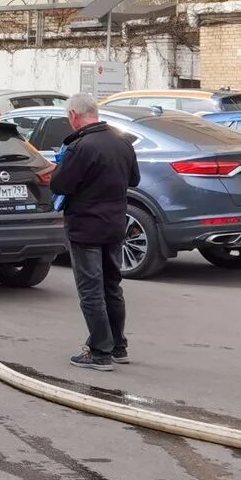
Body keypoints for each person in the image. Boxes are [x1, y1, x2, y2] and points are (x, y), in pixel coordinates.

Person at [51, 93, 140, 372]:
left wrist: (57, 170)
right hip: (115, 224)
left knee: (91, 290)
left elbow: (61, 184)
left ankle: (100, 352)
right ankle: (118, 346)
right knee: (111, 286)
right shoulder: (121, 141)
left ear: (74, 116)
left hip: (86, 227)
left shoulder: (81, 146)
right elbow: (134, 179)